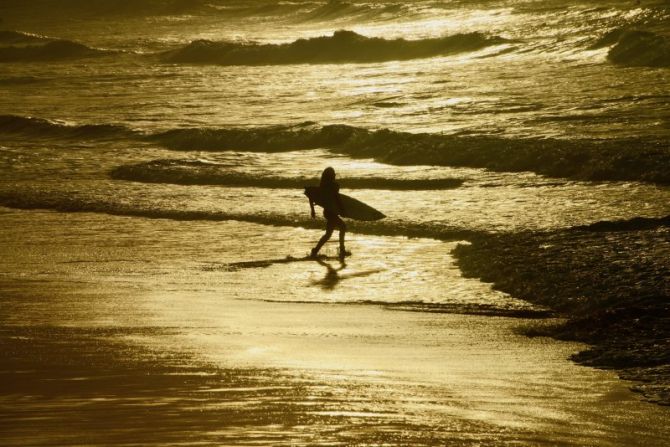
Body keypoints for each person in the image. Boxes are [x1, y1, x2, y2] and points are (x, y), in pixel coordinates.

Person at [308, 167, 348, 259]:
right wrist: (342, 210)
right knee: (343, 227)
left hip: (327, 212)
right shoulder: (334, 186)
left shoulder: (322, 187)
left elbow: (310, 195)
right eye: (333, 173)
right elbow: (337, 199)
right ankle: (342, 250)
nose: (335, 175)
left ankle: (315, 250)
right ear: (330, 176)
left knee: (328, 234)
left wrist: (312, 210)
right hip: (332, 212)